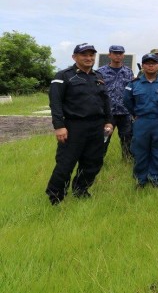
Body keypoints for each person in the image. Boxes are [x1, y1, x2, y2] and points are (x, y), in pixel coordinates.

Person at [45, 43, 113, 205]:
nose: (89, 58)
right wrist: (59, 126)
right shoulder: (63, 76)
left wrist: (109, 121)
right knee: (66, 162)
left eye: (91, 55)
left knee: (93, 161)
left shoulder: (98, 77)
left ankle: (81, 189)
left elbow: (106, 102)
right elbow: (55, 103)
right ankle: (56, 195)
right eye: (84, 55)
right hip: (73, 127)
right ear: (74, 57)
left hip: (97, 127)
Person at [124, 53, 158, 188]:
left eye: (154, 63)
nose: (150, 65)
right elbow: (127, 101)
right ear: (143, 65)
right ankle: (141, 179)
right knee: (140, 151)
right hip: (142, 121)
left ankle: (156, 178)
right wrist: (136, 114)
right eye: (147, 63)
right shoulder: (134, 84)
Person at [96, 45, 134, 160]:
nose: (118, 55)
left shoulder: (128, 72)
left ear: (123, 55)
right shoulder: (100, 72)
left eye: (120, 53)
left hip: (124, 113)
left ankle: (127, 162)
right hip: (107, 114)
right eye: (115, 53)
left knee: (127, 140)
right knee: (103, 140)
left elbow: (131, 91)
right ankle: (97, 161)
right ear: (109, 55)